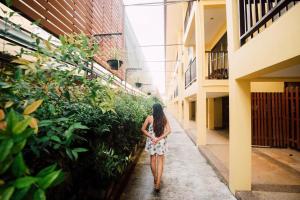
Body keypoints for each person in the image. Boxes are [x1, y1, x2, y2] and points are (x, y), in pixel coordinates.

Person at [141, 103, 171, 192]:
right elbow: (169, 130)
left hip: (152, 141)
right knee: (160, 162)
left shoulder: (149, 118)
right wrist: (159, 138)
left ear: (154, 109)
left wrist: (152, 137)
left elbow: (143, 129)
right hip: (160, 142)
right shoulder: (163, 118)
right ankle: (158, 184)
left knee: (152, 160)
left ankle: (155, 178)